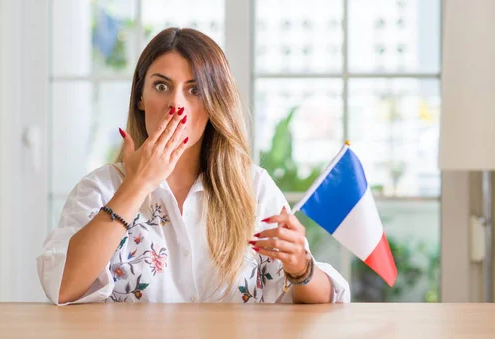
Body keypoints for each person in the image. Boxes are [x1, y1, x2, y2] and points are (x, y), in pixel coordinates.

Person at [37, 27, 350, 305]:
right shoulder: (100, 188)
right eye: (161, 86)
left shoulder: (253, 187)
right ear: (140, 98)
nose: (177, 104)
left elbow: (323, 300)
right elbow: (63, 288)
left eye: (195, 90)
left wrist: (301, 268)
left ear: (215, 102)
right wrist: (137, 186)